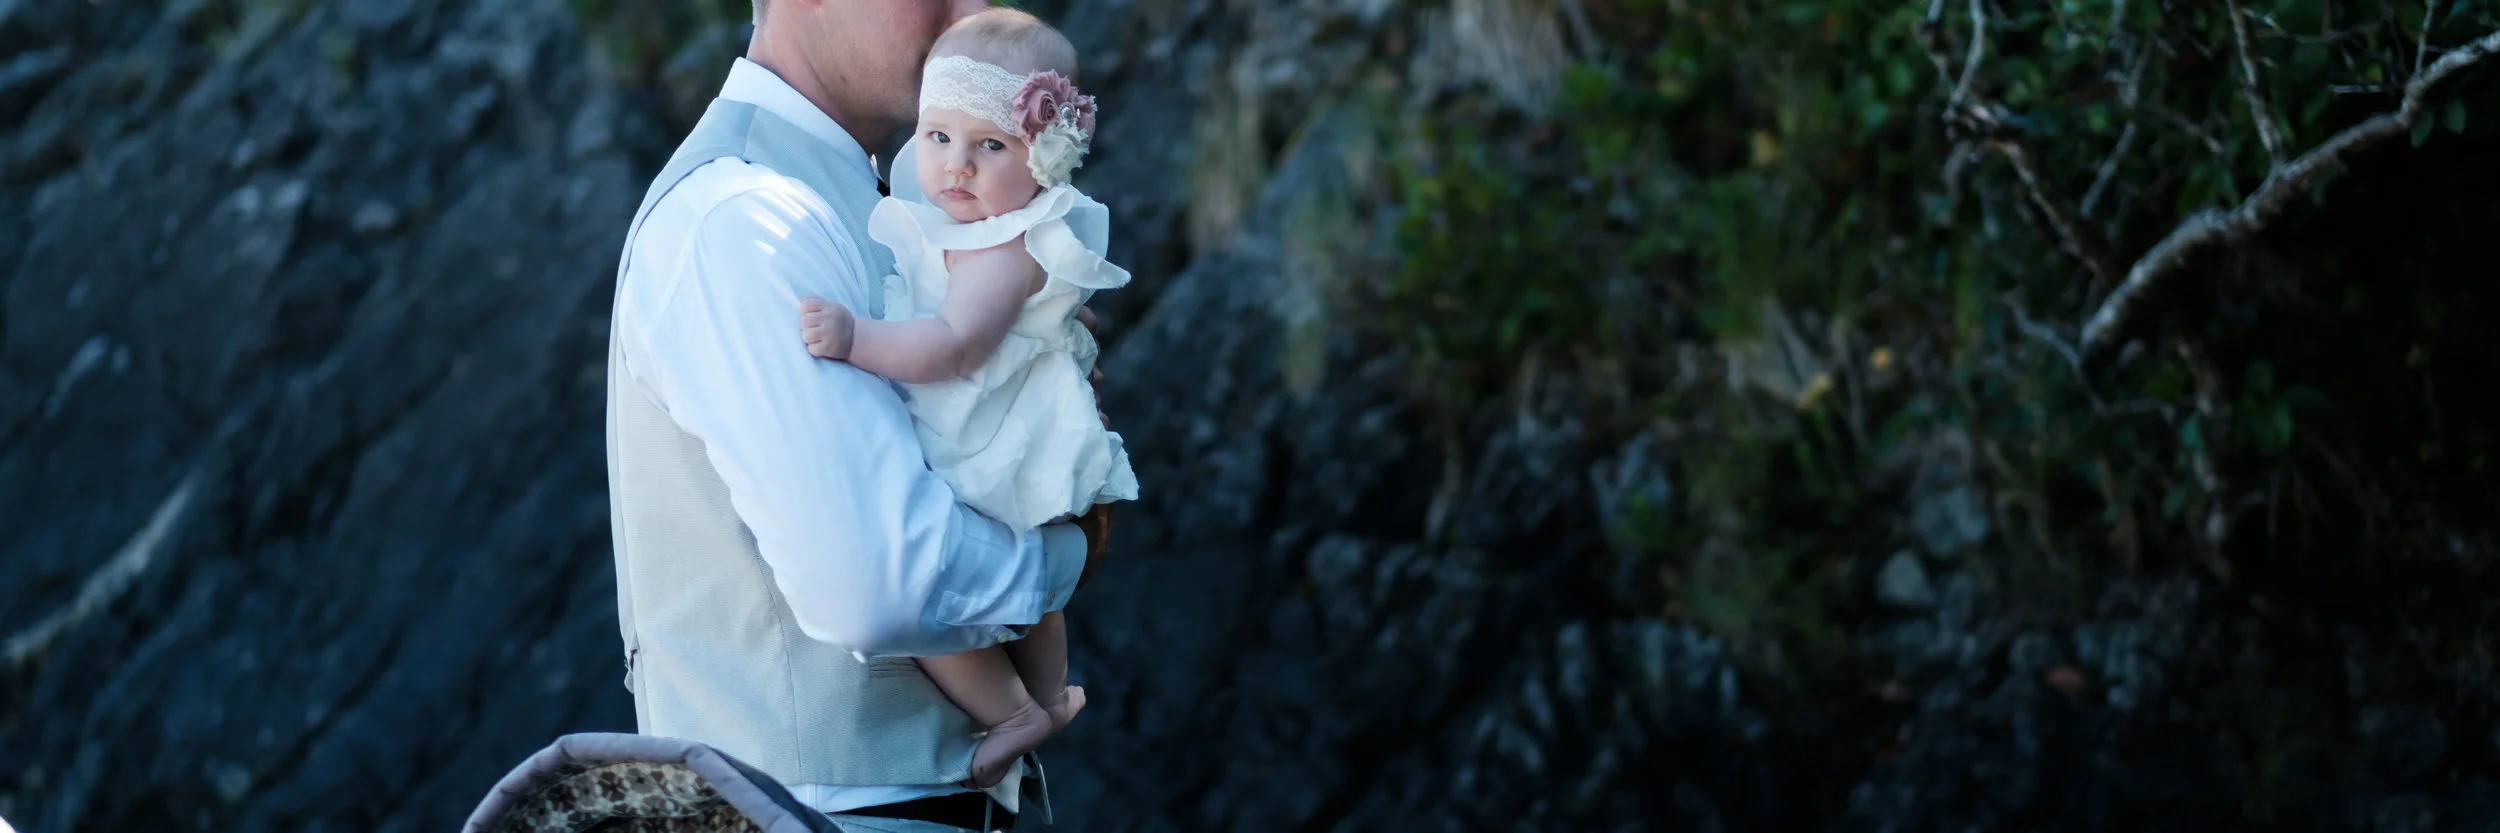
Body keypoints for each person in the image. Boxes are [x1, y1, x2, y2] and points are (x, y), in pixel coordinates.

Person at [603, 1, 1110, 830]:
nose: (970, 12)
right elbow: (878, 584)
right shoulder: (744, 215)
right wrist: (1067, 546)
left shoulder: (881, 197)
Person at [796, 11, 1137, 791]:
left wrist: (855, 337)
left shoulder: (1004, 248)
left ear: (1044, 160)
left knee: (920, 599)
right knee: (1033, 593)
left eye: (991, 145)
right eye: (939, 136)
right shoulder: (978, 226)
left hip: (982, 432)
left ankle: (1014, 711)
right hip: (1003, 425)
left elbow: (954, 344)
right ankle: (1048, 694)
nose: (957, 165)